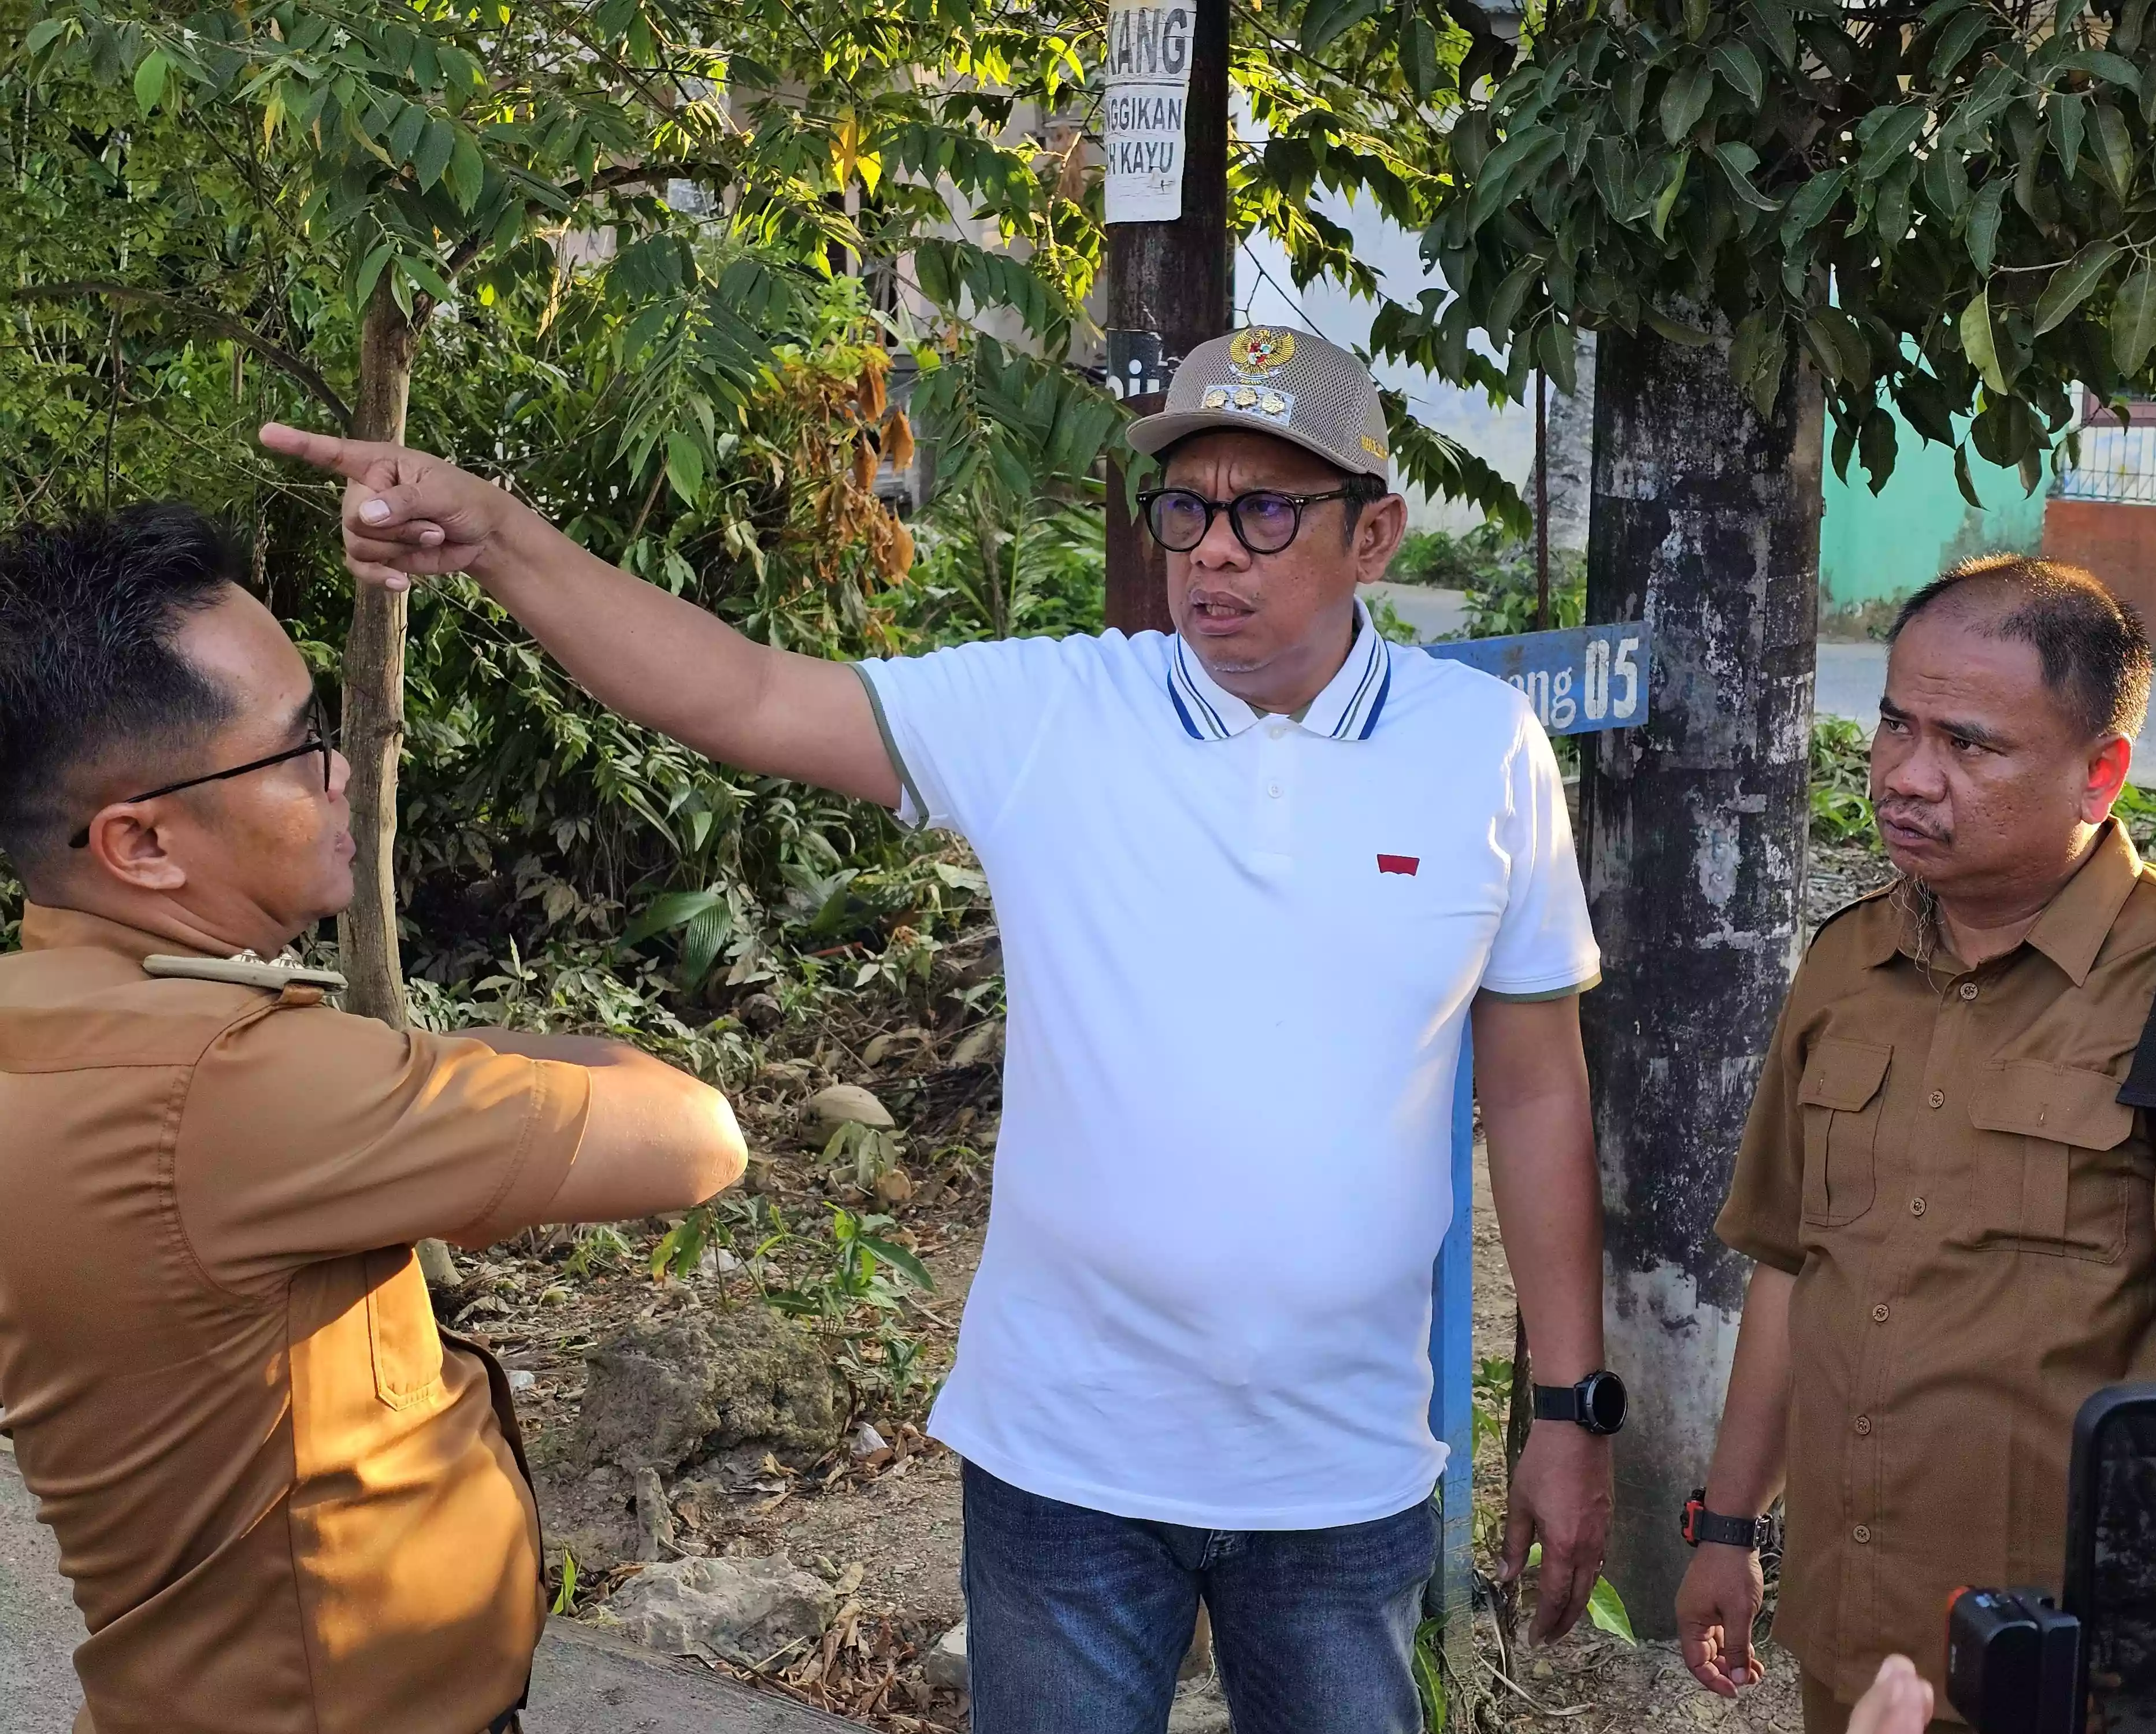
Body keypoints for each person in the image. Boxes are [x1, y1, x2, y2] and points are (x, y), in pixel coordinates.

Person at [263, 324, 1619, 1734]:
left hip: (1342, 1482)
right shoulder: (1054, 714)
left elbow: (1532, 1097)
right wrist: (498, 537)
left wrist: (1572, 1410)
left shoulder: (1480, 750)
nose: (1212, 550)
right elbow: (742, 692)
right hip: (1063, 1472)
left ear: (1374, 536)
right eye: (1185, 508)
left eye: (1265, 511)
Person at [0, 505, 748, 1733]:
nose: (345, 769)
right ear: (139, 843)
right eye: (298, 749)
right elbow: (694, 1135)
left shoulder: (46, 1022)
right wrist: (421, 1065)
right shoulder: (243, 1088)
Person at [1671, 557, 2156, 1731]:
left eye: (1970, 745)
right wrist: (1727, 1528)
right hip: (1851, 1633)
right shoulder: (1845, 964)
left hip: (2074, 1674)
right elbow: (1788, 1267)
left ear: (2100, 774)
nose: (1906, 777)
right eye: (1893, 725)